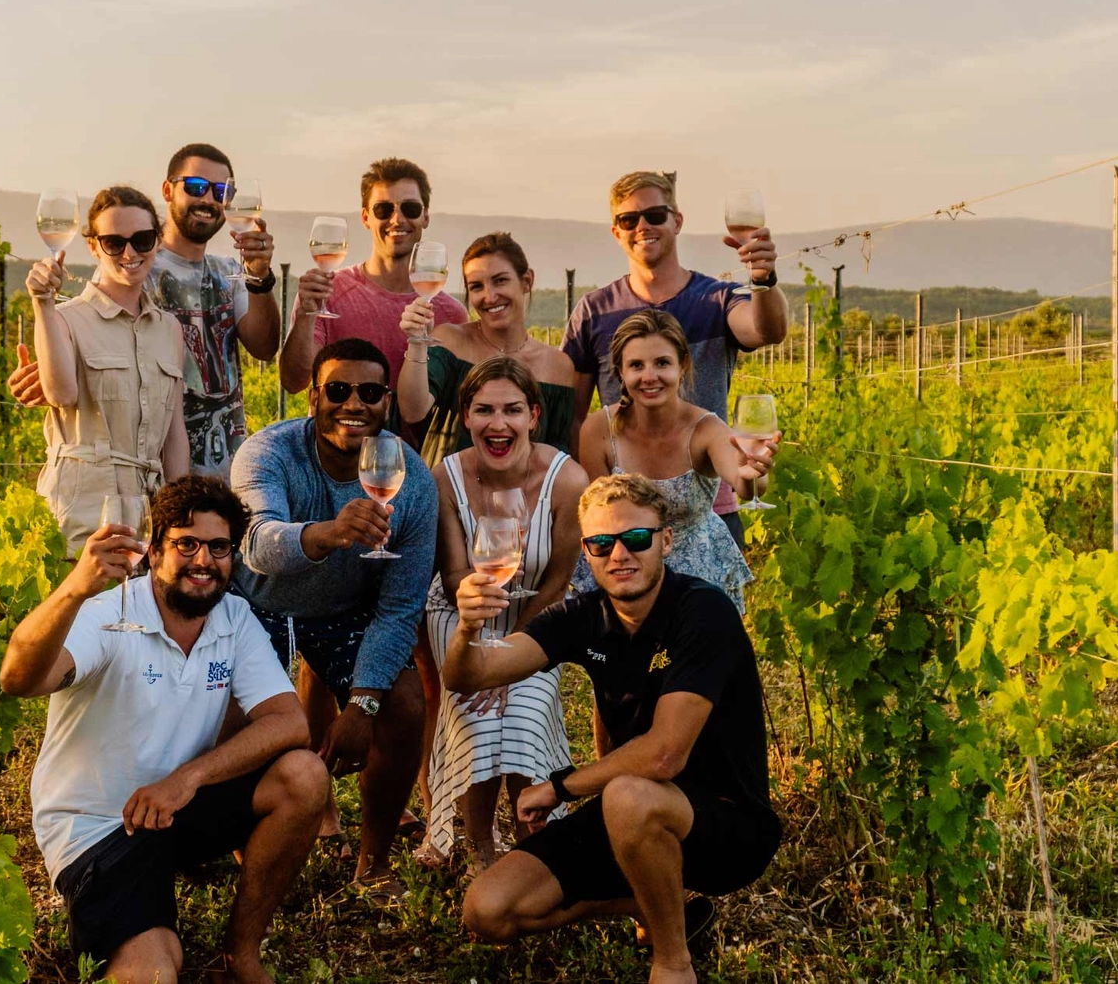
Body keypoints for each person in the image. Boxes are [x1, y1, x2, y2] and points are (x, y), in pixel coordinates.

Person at [446, 474, 782, 984]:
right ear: (587, 552)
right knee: (488, 911)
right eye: (601, 543)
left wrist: (560, 787)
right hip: (630, 817)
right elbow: (469, 675)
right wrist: (468, 627)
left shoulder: (703, 611)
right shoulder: (583, 615)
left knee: (628, 794)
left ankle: (672, 962)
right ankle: (660, 902)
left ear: (666, 540)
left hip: (727, 827)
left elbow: (665, 756)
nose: (619, 554)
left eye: (637, 538)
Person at [1, 474, 329, 984]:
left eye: (218, 547)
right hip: (99, 830)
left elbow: (289, 722)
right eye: (186, 544)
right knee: (157, 972)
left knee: (304, 776)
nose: (204, 560)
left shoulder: (235, 617)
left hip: (173, 808)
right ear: (153, 553)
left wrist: (188, 778)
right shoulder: (108, 615)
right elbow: (18, 679)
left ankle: (241, 955)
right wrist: (75, 588)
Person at [230, 337, 435, 899]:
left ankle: (373, 862)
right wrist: (329, 533)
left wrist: (364, 703)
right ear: (314, 396)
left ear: (387, 401)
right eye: (338, 390)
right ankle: (252, 847)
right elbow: (255, 544)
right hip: (256, 606)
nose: (354, 404)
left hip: (342, 612)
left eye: (369, 392)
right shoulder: (267, 454)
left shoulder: (411, 479)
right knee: (240, 722)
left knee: (405, 704)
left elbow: (398, 609)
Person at [11, 143, 281, 478]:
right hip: (152, 474)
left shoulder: (229, 272)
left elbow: (265, 347)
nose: (209, 199)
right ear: (168, 190)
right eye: (196, 187)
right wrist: (58, 369)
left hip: (224, 469)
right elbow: (92, 332)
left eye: (221, 191)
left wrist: (259, 276)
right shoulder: (129, 266)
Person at [417, 356, 588, 873]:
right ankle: (479, 850)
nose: (498, 423)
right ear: (466, 416)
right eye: (484, 410)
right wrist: (483, 651)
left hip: (540, 612)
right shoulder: (445, 477)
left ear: (534, 415)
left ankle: (534, 844)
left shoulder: (567, 480)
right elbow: (451, 576)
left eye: (512, 410)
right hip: (461, 611)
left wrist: (509, 658)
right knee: (477, 717)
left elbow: (558, 581)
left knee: (524, 711)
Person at [562, 170, 788, 546]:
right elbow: (573, 415)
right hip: (625, 528)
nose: (641, 227)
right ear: (616, 231)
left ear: (677, 221)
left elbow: (768, 331)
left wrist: (763, 279)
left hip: (710, 512)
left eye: (654, 215)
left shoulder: (718, 299)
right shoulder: (593, 311)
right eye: (628, 219)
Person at [574, 309, 779, 614]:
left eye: (662, 363)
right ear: (619, 372)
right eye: (636, 365)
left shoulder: (706, 429)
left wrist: (753, 472)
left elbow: (743, 480)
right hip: (626, 571)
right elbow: (598, 517)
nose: (649, 376)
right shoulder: (599, 430)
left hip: (697, 573)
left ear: (682, 366)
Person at [25, 185, 189, 553]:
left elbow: (174, 433)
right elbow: (61, 394)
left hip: (150, 515)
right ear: (93, 246)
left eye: (142, 239)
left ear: (158, 241)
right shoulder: (64, 319)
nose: (130, 253)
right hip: (82, 516)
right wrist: (42, 304)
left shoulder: (170, 329)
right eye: (114, 243)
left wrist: (180, 518)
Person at [278, 157, 467, 396]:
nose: (397, 219)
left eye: (410, 208)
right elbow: (294, 382)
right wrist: (305, 317)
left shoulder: (451, 314)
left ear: (425, 216)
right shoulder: (329, 294)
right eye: (383, 209)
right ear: (366, 218)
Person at [398, 232, 577, 470]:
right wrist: (417, 342)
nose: (489, 296)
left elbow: (557, 457)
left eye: (500, 280)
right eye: (476, 287)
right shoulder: (449, 340)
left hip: (522, 502)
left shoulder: (557, 367)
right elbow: (413, 411)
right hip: (446, 495)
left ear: (527, 281)